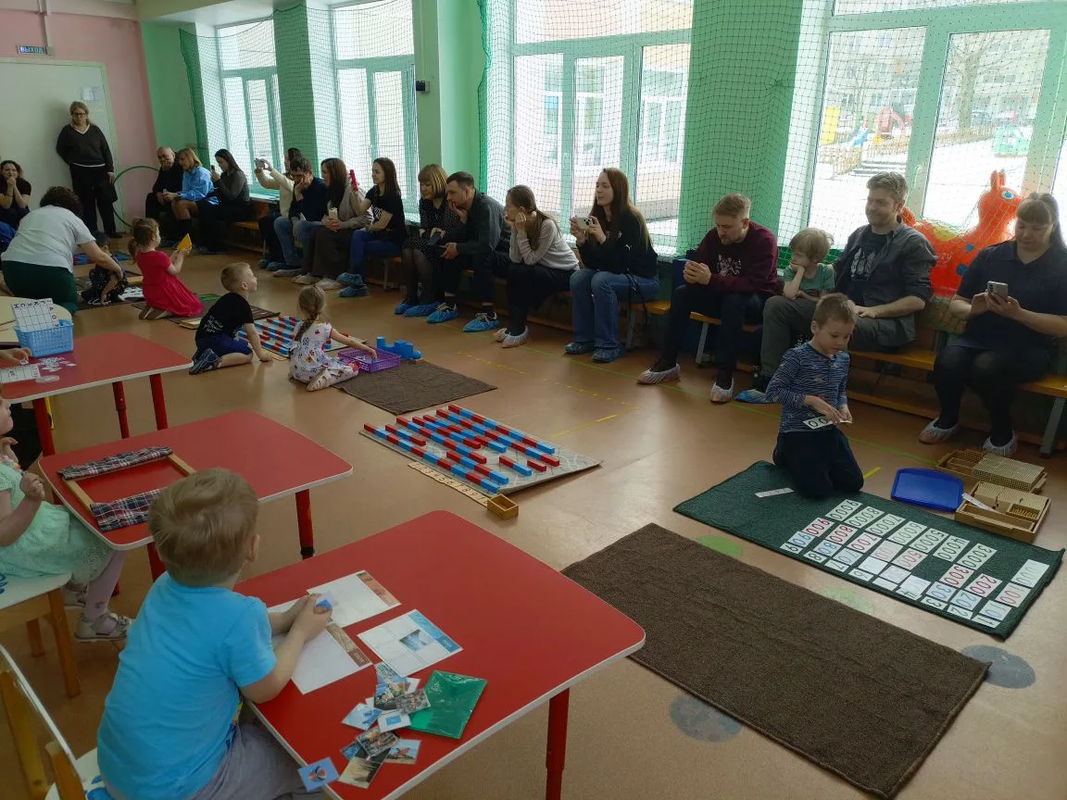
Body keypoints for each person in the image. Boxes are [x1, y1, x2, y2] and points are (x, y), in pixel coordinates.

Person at [97, 469, 332, 800]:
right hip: (183, 789)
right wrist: (301, 632)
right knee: (314, 766)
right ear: (253, 548)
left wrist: (282, 621)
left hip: (119, 770)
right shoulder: (241, 615)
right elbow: (265, 688)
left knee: (258, 732)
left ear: (162, 552)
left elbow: (211, 630)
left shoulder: (163, 586)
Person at [742, 172, 936, 402]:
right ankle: (771, 383)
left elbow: (918, 299)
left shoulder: (914, 243)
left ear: (899, 205)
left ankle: (826, 396)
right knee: (777, 305)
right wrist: (807, 275)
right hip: (841, 310)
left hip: (884, 324)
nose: (872, 207)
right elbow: (835, 271)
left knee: (839, 324)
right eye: (870, 200)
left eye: (881, 202)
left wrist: (874, 311)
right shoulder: (859, 235)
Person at [919, 193, 1067, 456]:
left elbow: (1062, 326)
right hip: (980, 337)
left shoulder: (1062, 264)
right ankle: (948, 418)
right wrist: (973, 309)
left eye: (1037, 228)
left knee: (987, 366)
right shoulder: (991, 255)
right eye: (1021, 225)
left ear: (1053, 227)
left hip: (1030, 347)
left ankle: (1002, 429)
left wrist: (1019, 314)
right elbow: (958, 303)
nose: (1026, 234)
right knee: (948, 359)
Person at [0, 394, 130, 640]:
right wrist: (31, 501)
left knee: (93, 522)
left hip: (36, 526)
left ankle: (73, 590)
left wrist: (7, 456)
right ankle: (95, 620)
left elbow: (12, 482)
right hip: (24, 546)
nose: (8, 403)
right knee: (115, 538)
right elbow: (4, 534)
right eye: (0, 403)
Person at [637, 194, 778, 400]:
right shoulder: (714, 237)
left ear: (745, 223)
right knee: (682, 293)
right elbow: (699, 267)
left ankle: (725, 374)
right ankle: (667, 362)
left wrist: (710, 279)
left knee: (734, 301)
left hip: (756, 301)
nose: (721, 232)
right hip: (722, 295)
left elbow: (751, 284)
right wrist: (692, 276)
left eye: (727, 227)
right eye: (718, 225)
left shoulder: (764, 240)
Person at [766, 293, 863, 499]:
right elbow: (773, 392)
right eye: (834, 335)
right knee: (818, 490)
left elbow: (840, 389)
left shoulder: (843, 359)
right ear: (815, 327)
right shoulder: (797, 357)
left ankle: (816, 462)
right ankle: (784, 452)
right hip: (797, 432)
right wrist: (810, 400)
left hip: (827, 431)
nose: (841, 342)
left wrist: (843, 406)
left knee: (853, 482)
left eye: (846, 337)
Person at [567, 168, 659, 363]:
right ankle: (584, 339)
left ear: (618, 190)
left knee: (601, 280)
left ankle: (610, 345)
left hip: (643, 280)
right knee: (579, 278)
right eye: (597, 186)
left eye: (605, 186)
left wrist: (602, 238)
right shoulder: (597, 216)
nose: (599, 190)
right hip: (613, 276)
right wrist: (582, 241)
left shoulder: (632, 219)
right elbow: (593, 264)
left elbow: (620, 264)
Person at [0, 186, 123, 314]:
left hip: (12, 268)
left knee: (30, 301)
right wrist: (117, 269)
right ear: (74, 206)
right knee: (67, 303)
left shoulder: (29, 216)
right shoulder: (72, 218)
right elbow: (98, 256)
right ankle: (56, 316)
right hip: (52, 269)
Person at [495, 185, 578, 348]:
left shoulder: (547, 225)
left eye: (508, 205)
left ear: (521, 209)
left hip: (566, 273)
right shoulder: (520, 224)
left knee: (523, 273)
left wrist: (521, 232)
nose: (505, 209)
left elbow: (530, 260)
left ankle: (518, 329)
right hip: (546, 269)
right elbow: (515, 258)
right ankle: (514, 326)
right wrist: (515, 229)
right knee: (513, 270)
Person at [429, 171, 511, 332]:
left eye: (452, 193)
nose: (448, 198)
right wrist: (463, 221)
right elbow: (460, 240)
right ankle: (449, 305)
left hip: (506, 256)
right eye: (447, 193)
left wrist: (459, 248)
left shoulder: (486, 206)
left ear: (467, 191)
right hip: (485, 251)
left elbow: (488, 245)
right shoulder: (464, 208)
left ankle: (489, 314)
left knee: (481, 256)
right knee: (449, 252)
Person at [277, 158, 371, 284]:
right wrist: (326, 221)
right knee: (317, 231)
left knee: (324, 235)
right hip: (340, 228)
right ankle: (311, 272)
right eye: (322, 172)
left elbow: (367, 218)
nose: (322, 176)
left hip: (355, 231)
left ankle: (333, 276)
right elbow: (324, 213)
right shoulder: (333, 190)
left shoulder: (353, 190)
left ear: (334, 173)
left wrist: (343, 224)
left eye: (325, 172)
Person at [334, 157, 408, 298]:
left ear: (387, 173)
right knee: (357, 235)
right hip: (379, 235)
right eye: (372, 171)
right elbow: (360, 210)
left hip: (394, 241)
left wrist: (367, 228)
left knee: (362, 245)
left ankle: (358, 283)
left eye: (377, 172)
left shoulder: (393, 195)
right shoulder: (374, 191)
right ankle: (357, 280)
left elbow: (381, 224)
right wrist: (356, 194)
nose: (373, 174)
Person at [395, 164, 461, 318]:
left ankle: (429, 299)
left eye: (427, 185)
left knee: (418, 251)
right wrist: (430, 232)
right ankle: (411, 297)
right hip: (431, 242)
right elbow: (423, 229)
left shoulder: (449, 201)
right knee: (407, 246)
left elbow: (448, 232)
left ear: (438, 182)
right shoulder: (424, 202)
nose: (423, 189)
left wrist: (432, 233)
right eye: (421, 185)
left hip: (447, 245)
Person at [289, 284, 376, 391]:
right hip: (311, 374)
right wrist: (367, 349)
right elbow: (349, 342)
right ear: (323, 305)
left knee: (336, 360)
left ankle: (304, 373)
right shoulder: (324, 328)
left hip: (296, 372)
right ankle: (324, 380)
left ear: (301, 306)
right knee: (353, 369)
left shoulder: (298, 326)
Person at [191, 262, 271, 374]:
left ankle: (203, 354)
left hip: (201, 339)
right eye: (252, 276)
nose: (256, 278)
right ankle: (214, 361)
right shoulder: (243, 306)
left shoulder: (226, 298)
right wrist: (261, 355)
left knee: (244, 344)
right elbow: (252, 333)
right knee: (248, 353)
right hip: (215, 340)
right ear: (244, 286)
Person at [55, 101, 117, 238]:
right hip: (80, 172)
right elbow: (60, 149)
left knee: (105, 202)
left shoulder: (95, 130)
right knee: (86, 203)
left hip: (101, 170)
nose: (79, 117)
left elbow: (105, 150)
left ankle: (111, 231)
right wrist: (72, 162)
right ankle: (92, 233)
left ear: (86, 114)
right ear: (72, 115)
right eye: (76, 114)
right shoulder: (67, 131)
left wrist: (110, 169)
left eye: (82, 114)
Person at [130, 217, 202, 320]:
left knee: (161, 300)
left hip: (150, 292)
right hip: (164, 292)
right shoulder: (159, 256)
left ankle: (152, 306)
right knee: (194, 304)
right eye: (158, 234)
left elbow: (159, 266)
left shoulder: (139, 254)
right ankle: (167, 310)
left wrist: (173, 256)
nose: (160, 236)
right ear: (153, 237)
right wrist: (181, 256)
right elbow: (174, 271)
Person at [254, 148, 303, 269]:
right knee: (264, 221)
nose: (285, 162)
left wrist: (272, 169)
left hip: (295, 216)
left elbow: (291, 186)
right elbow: (267, 183)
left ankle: (282, 258)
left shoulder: (299, 178)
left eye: (287, 159)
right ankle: (274, 255)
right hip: (284, 214)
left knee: (274, 221)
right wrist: (259, 171)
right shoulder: (284, 177)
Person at [196, 149, 252, 255]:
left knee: (210, 212)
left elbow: (232, 196)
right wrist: (215, 184)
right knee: (203, 206)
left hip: (241, 209)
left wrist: (218, 181)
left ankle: (216, 246)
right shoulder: (224, 175)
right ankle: (203, 242)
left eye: (221, 162)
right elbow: (221, 195)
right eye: (218, 162)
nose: (219, 165)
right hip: (228, 206)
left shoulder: (238, 175)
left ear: (228, 161)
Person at [162, 148, 216, 248]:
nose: (180, 162)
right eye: (179, 160)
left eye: (182, 159)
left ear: (190, 158)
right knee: (175, 202)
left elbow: (200, 194)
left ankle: (190, 240)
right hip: (197, 201)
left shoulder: (201, 173)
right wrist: (176, 195)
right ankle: (183, 237)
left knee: (182, 204)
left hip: (208, 202)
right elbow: (185, 191)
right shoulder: (186, 173)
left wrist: (178, 195)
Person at [80, 232, 129, 306]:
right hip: (105, 284)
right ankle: (104, 294)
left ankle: (111, 295)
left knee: (93, 296)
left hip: (113, 287)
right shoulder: (100, 259)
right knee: (86, 293)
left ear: (105, 248)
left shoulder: (111, 262)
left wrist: (104, 293)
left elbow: (114, 280)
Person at [144, 147, 183, 236]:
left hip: (181, 195)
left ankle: (171, 236)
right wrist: (158, 193)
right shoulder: (164, 168)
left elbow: (179, 186)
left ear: (173, 155)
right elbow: (156, 186)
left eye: (164, 156)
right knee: (151, 197)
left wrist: (168, 172)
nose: (162, 159)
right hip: (171, 195)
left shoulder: (181, 165)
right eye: (159, 157)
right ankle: (150, 231)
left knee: (170, 200)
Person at [0, 160, 31, 230]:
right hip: (4, 210)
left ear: (17, 172)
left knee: (24, 212)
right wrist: (10, 187)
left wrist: (14, 186)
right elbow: (6, 205)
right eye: (7, 170)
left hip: (20, 210)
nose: (11, 172)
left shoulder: (25, 184)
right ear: (1, 171)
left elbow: (22, 205)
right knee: (11, 213)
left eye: (14, 170)